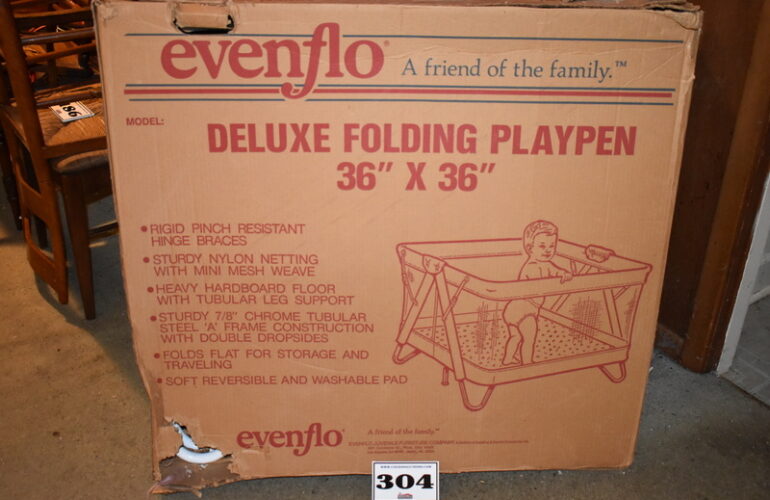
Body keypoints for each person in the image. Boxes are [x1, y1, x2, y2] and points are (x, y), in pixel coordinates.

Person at [502, 220, 572, 365]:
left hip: (512, 310)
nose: (548, 250)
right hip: (525, 311)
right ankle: (527, 363)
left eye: (552, 246)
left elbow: (557, 271)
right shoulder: (532, 267)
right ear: (530, 248)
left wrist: (563, 273)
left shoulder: (546, 264)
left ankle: (507, 360)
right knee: (529, 339)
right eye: (542, 246)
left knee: (516, 337)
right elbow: (539, 286)